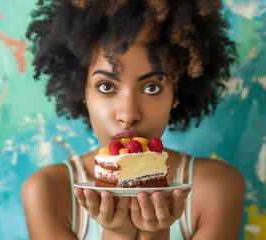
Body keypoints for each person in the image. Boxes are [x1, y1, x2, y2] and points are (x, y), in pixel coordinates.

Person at [21, 0, 245, 239]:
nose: (128, 116)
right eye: (106, 86)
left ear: (175, 94)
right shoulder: (47, 191)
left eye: (151, 88)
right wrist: (117, 234)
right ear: (82, 91)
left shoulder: (217, 187)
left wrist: (155, 234)